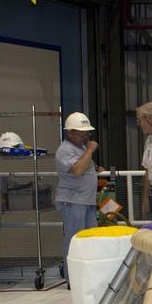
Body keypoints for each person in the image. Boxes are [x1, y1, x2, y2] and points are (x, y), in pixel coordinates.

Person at [55, 112, 98, 266]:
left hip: (84, 200)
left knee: (90, 240)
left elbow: (84, 165)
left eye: (87, 132)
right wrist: (90, 150)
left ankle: (85, 273)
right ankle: (71, 276)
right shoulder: (66, 150)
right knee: (74, 241)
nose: (86, 136)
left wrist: (95, 168)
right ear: (70, 132)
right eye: (82, 133)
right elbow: (78, 170)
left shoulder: (80, 147)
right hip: (73, 202)